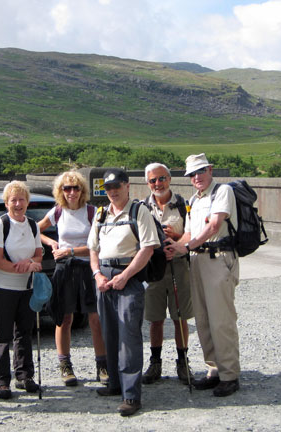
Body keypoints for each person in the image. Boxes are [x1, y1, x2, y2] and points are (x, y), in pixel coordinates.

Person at [165, 153, 241, 397]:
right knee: (203, 319)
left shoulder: (222, 192)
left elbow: (214, 226)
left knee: (221, 319)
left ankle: (230, 375)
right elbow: (189, 233)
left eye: (200, 171)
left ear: (210, 169)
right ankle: (214, 369)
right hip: (197, 260)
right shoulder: (194, 200)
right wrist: (175, 247)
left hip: (218, 258)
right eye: (192, 174)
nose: (196, 177)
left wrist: (186, 247)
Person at [88, 168, 160, 417]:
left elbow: (148, 248)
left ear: (127, 185)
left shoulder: (139, 211)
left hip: (128, 277)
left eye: (117, 186)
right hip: (104, 279)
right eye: (108, 188)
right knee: (109, 332)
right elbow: (93, 249)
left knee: (129, 336)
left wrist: (125, 275)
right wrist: (97, 274)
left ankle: (131, 395)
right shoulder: (100, 214)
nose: (113, 191)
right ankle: (115, 383)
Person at [38, 171, 108, 387]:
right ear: (60, 192)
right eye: (66, 188)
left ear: (82, 190)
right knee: (63, 318)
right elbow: (35, 230)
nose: (71, 192)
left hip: (88, 268)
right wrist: (51, 243)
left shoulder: (92, 212)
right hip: (65, 270)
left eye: (75, 188)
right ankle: (65, 365)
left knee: (95, 319)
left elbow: (98, 245)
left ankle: (102, 365)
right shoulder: (58, 212)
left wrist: (70, 251)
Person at [0, 180, 43, 400]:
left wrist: (29, 263)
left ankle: (24, 376)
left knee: (24, 332)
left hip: (27, 287)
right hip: (3, 287)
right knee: (2, 334)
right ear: (6, 203)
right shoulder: (0, 225)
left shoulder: (33, 225)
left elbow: (40, 255)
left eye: (22, 199)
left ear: (27, 202)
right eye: (14, 200)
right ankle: (1, 381)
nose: (18, 203)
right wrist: (20, 267)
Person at [141, 163, 194, 385]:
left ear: (170, 179)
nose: (157, 184)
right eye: (153, 180)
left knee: (180, 316)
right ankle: (155, 362)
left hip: (178, 266)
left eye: (161, 179)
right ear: (147, 183)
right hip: (154, 268)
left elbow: (193, 234)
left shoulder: (184, 205)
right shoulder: (142, 207)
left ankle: (183, 362)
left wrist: (178, 238)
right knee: (155, 318)